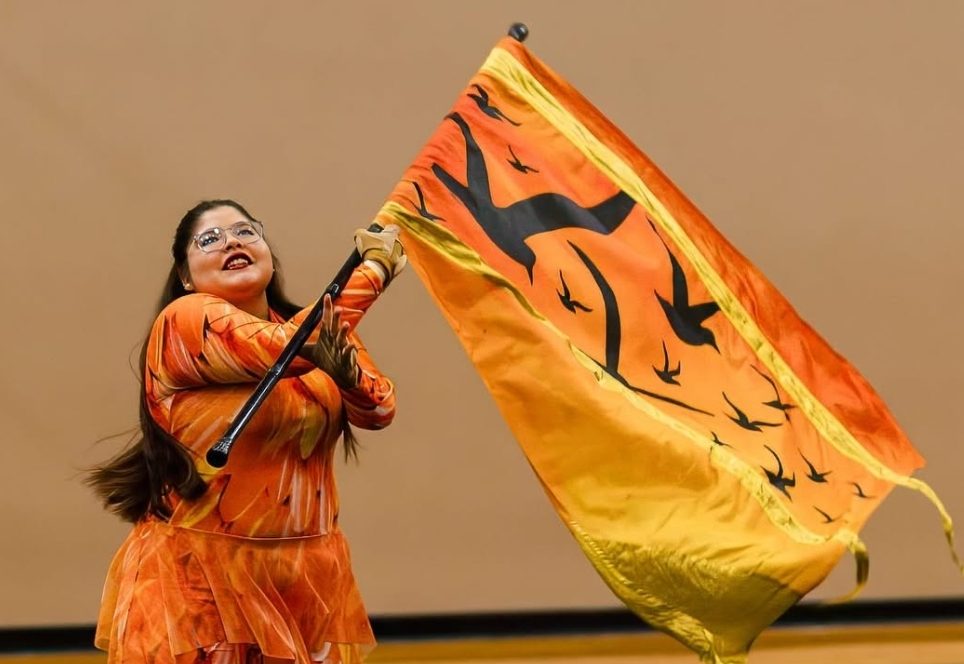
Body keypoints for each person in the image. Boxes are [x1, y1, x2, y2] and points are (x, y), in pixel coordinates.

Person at [87, 199, 406, 664]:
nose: (232, 242)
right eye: (210, 239)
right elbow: (283, 351)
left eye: (246, 232)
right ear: (186, 276)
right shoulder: (186, 321)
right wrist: (373, 268)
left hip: (306, 577)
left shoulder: (317, 328)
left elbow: (379, 410)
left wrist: (349, 375)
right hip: (202, 583)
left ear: (269, 256)